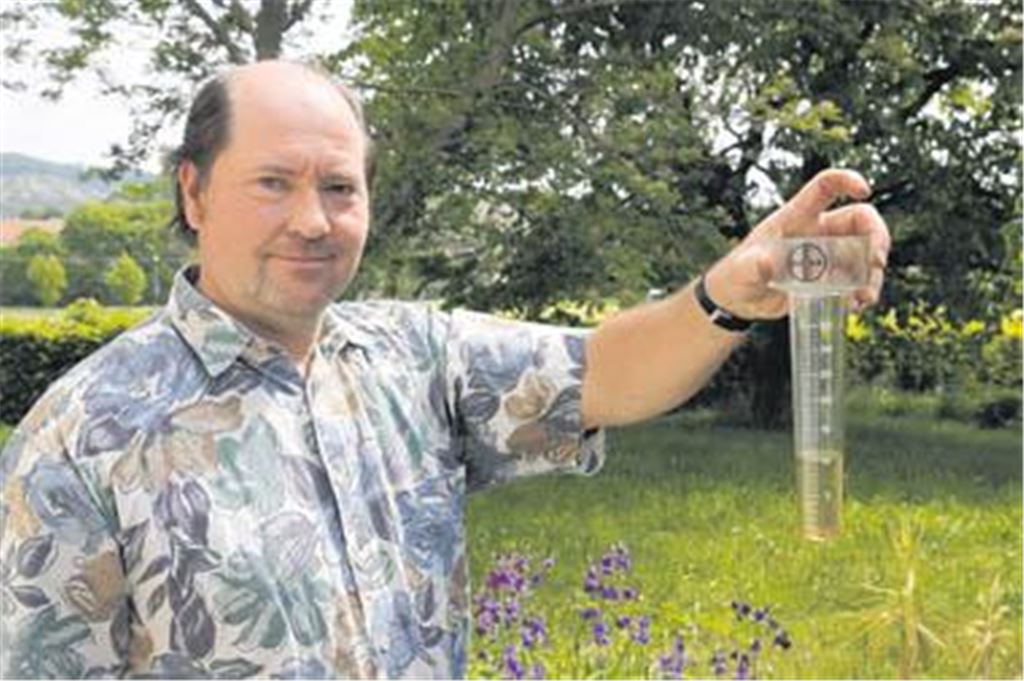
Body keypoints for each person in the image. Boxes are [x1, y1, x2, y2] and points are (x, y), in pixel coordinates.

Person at [0, 60, 890, 679]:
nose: (312, 219)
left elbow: (607, 372)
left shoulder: (415, 359)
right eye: (273, 182)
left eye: (339, 187)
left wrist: (730, 289)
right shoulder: (83, 437)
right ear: (194, 192)